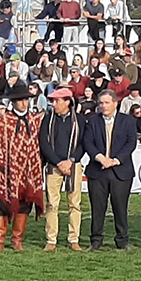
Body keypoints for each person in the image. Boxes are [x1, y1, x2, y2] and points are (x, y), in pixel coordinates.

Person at [0, 83, 44, 253]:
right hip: (7, 170)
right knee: (1, 203)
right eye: (19, 100)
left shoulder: (35, 120)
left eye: (26, 99)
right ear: (13, 102)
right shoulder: (3, 120)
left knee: (24, 204)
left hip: (29, 171)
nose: (23, 103)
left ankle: (17, 240)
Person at [83, 90, 137, 251]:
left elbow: (130, 143)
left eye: (107, 103)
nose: (103, 106)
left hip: (120, 171)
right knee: (97, 208)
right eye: (101, 103)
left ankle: (122, 240)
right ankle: (96, 241)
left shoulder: (128, 121)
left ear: (115, 103)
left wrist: (115, 160)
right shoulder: (93, 121)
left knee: (120, 208)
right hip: (98, 170)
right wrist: (101, 158)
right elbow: (88, 143)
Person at [38, 88, 87, 252]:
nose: (53, 104)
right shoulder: (48, 119)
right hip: (54, 166)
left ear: (67, 101)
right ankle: (51, 239)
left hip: (74, 165)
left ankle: (74, 238)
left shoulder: (79, 119)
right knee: (52, 203)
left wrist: (71, 161)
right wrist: (58, 162)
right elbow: (44, 143)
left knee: (75, 204)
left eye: (57, 101)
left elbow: (83, 143)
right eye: (52, 101)